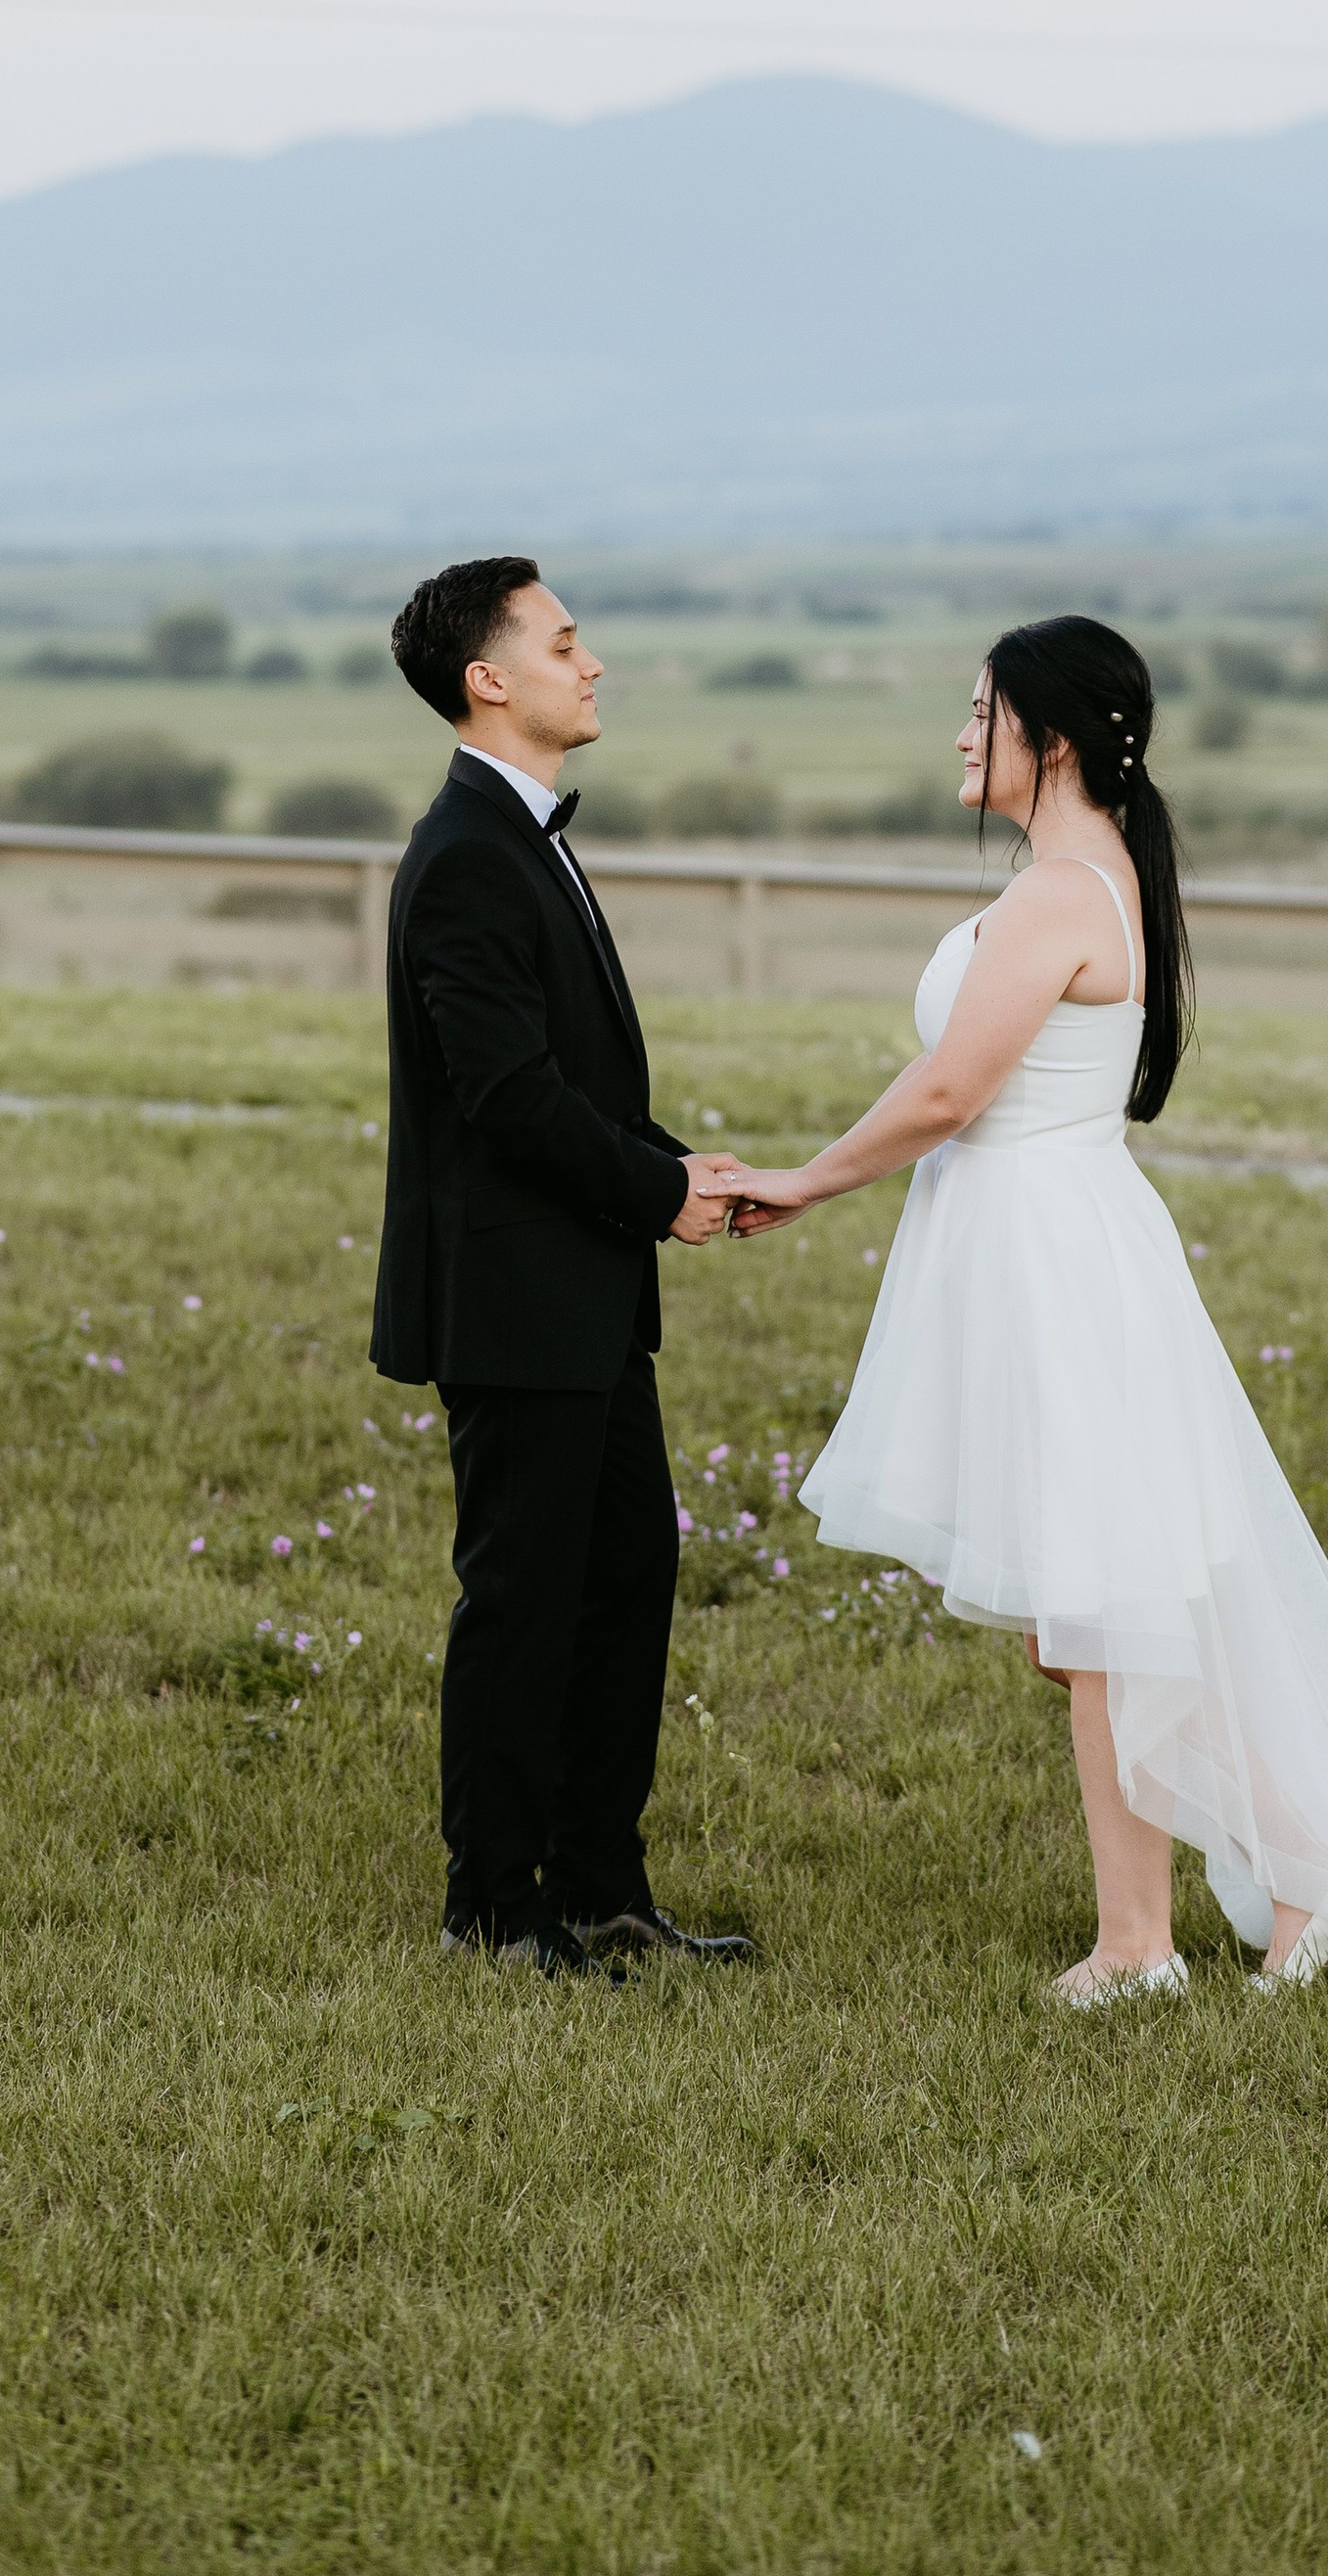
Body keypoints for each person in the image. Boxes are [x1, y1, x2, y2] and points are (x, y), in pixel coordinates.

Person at [719, 615, 1328, 2003]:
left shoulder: (1063, 895)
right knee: (1075, 1620)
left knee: (1092, 1612)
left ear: (1053, 739)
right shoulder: (1090, 875)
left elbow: (953, 1091)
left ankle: (1146, 1943)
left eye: (983, 713)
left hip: (1051, 1257)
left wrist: (805, 1180)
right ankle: (1304, 1872)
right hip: (1038, 1241)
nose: (962, 736)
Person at [371, 555, 756, 1977]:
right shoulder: (468, 849)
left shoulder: (523, 835)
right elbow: (508, 1101)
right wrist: (657, 1192)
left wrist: (681, 1167)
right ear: (490, 681)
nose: (591, 664)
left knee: (625, 1580)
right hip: (516, 1301)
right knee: (525, 1600)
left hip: (585, 1299)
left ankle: (602, 1888)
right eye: (565, 641)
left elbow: (570, 1077)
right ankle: (493, 1909)